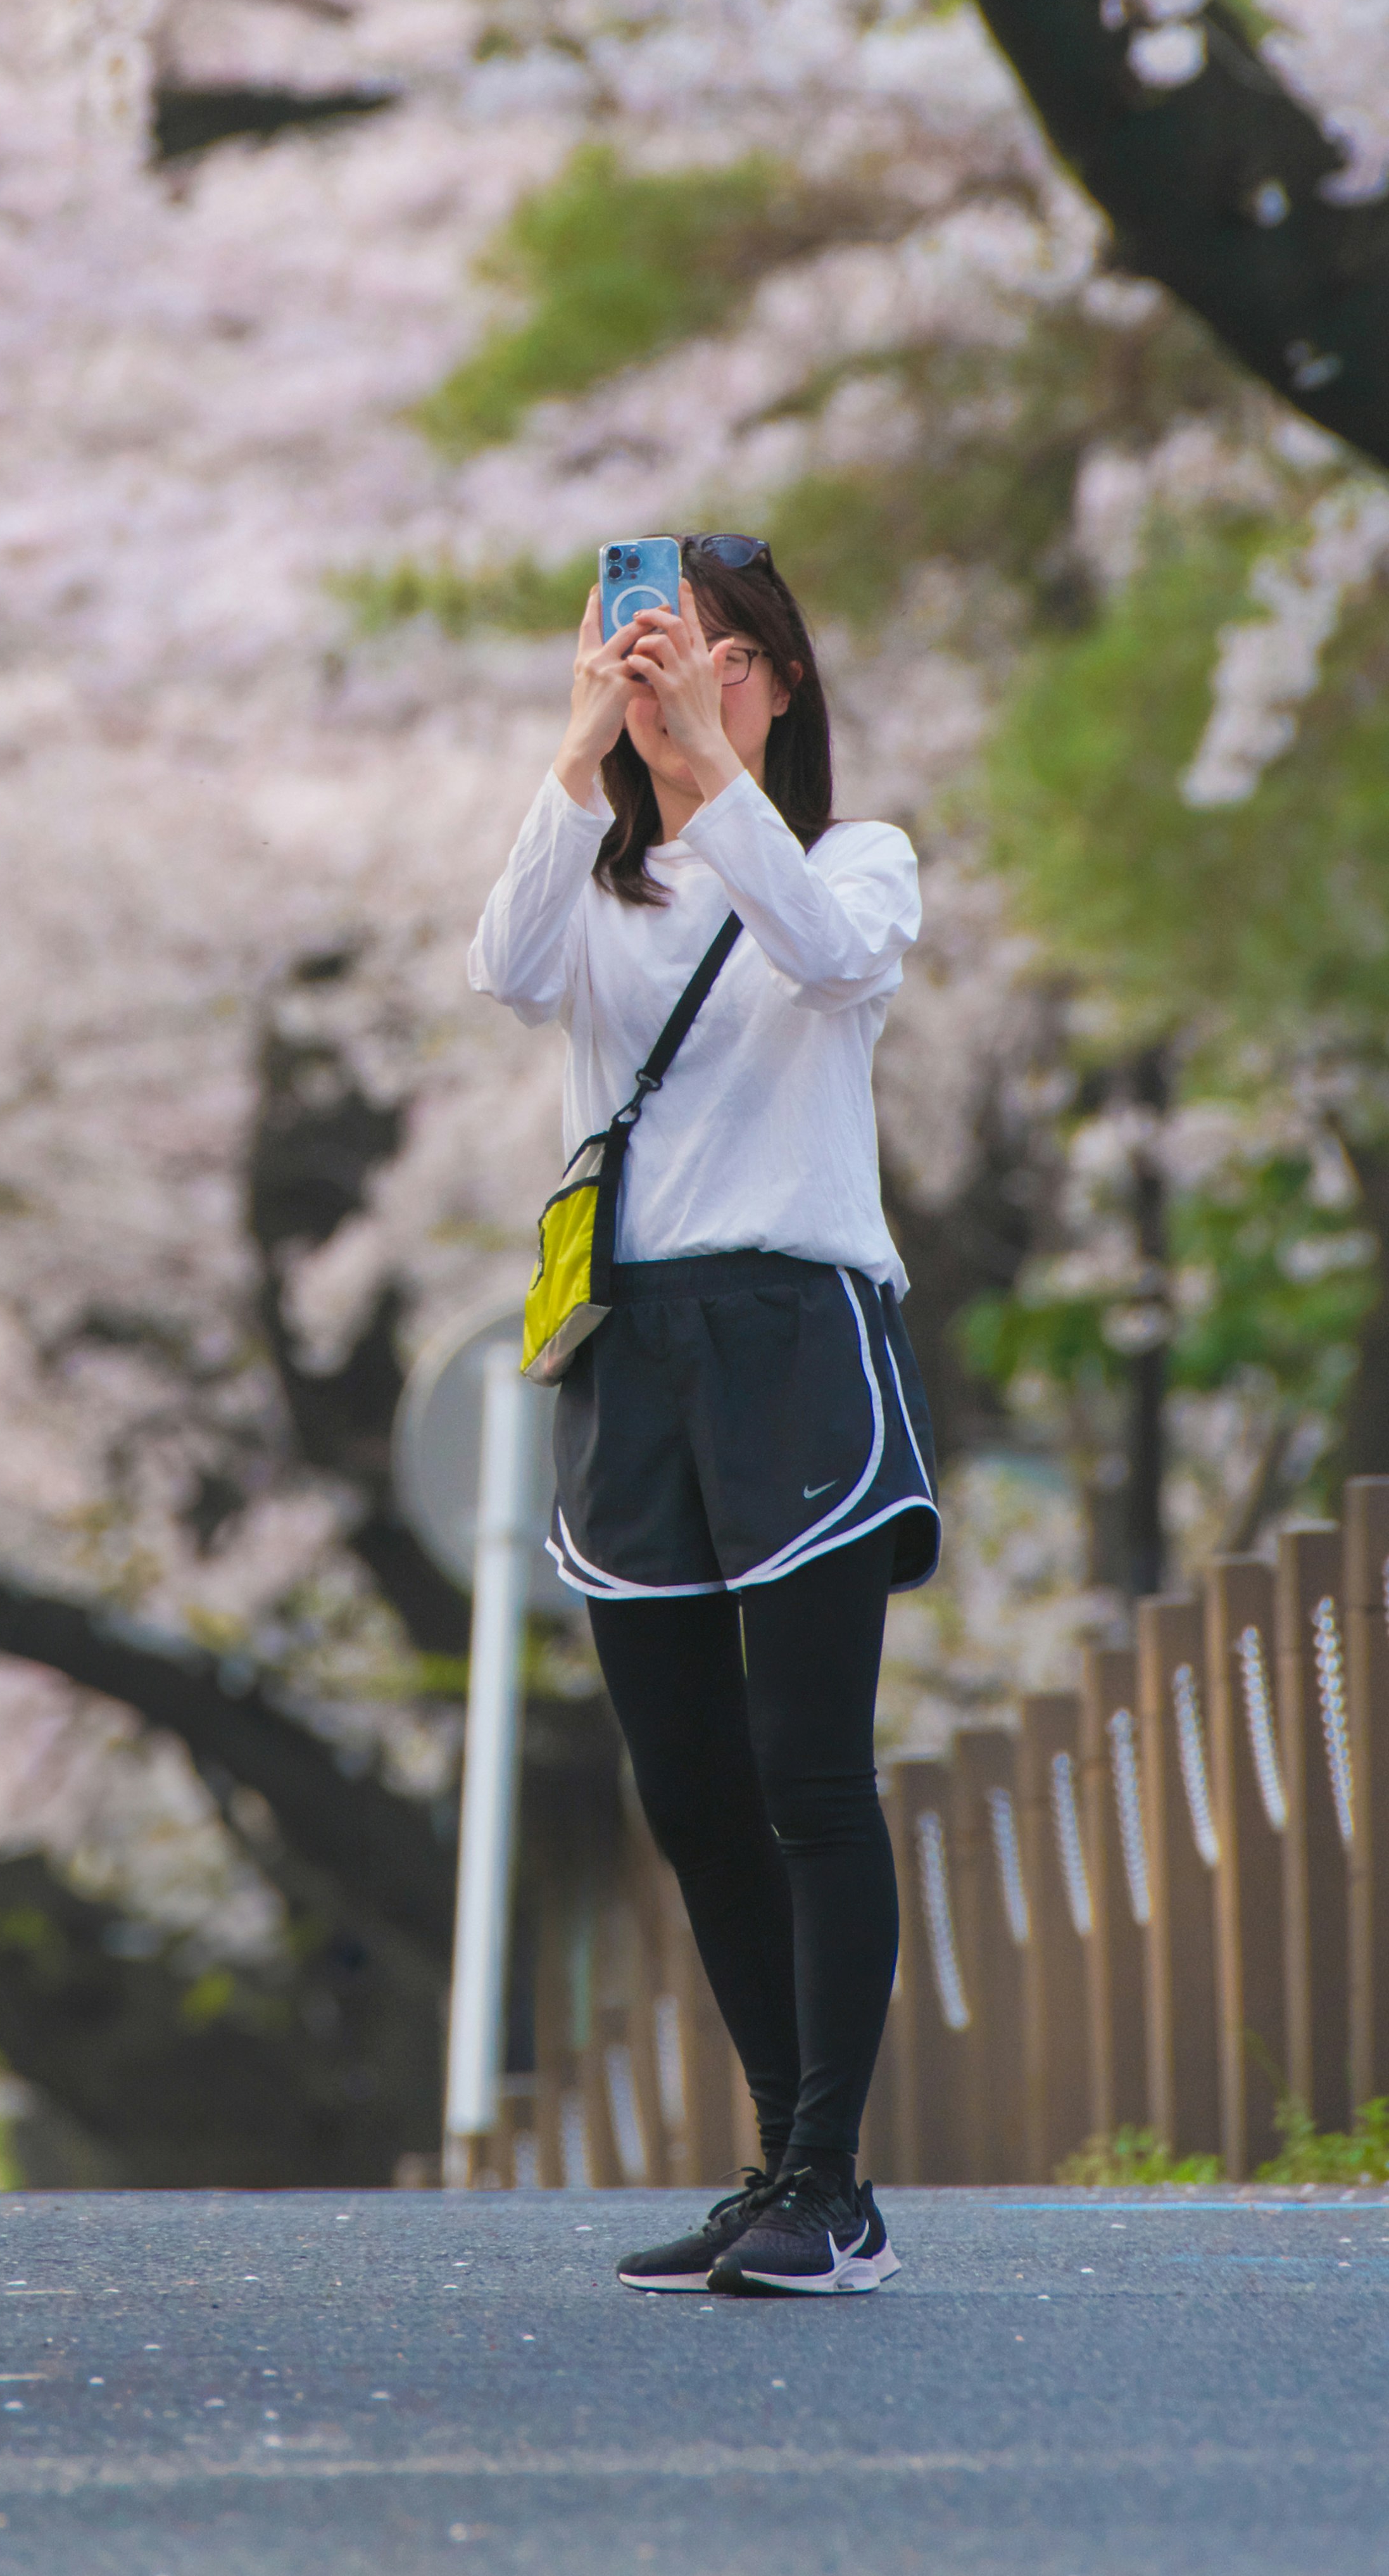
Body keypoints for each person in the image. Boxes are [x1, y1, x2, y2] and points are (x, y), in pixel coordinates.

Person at [467, 534, 936, 2298]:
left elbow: (822, 957)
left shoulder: (851, 858)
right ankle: (781, 2160)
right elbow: (505, 970)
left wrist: (708, 781)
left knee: (810, 1770)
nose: (685, 674)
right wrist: (580, 753)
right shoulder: (601, 885)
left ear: (784, 681)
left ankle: (835, 2178)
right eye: (655, 645)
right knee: (687, 1783)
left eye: (721, 652)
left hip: (797, 1332)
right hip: (635, 1344)